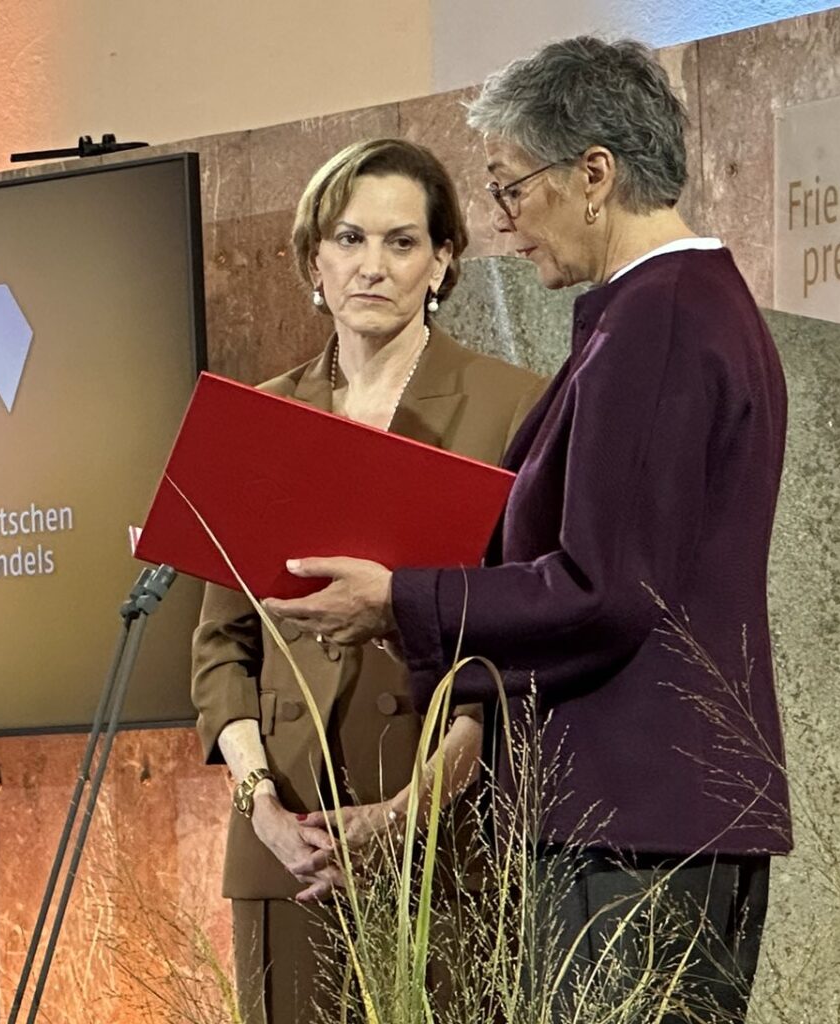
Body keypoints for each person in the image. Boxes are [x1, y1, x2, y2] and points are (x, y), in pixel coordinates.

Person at [263, 37, 793, 1022]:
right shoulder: (672, 310)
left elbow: (603, 589)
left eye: (511, 189)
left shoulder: (660, 322)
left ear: (594, 174)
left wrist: (399, 598)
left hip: (634, 824)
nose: (504, 224)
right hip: (649, 819)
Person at [190, 137, 545, 1024]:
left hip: (444, 843)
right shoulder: (259, 418)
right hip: (289, 845)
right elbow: (219, 646)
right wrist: (261, 806)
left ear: (443, 259)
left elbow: (525, 634)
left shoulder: (513, 404)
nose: (371, 267)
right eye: (349, 240)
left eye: (401, 242)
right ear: (315, 258)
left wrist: (412, 810)